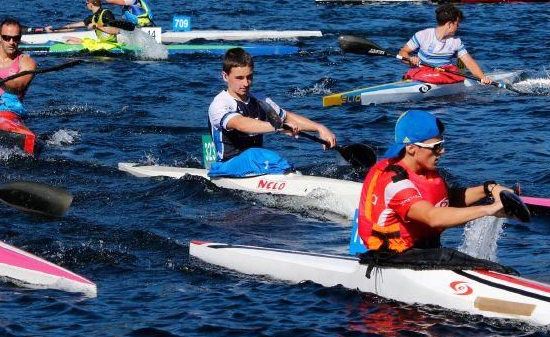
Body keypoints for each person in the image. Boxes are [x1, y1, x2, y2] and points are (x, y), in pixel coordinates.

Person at [357, 110, 511, 252]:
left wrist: (489, 189)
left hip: (423, 251)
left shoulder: (424, 172)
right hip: (391, 257)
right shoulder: (395, 183)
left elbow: (450, 200)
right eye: (436, 147)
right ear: (411, 148)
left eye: (442, 145)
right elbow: (432, 217)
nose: (442, 151)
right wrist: (489, 209)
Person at [208, 48, 336, 174]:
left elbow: (286, 118)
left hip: (257, 164)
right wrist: (278, 126)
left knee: (264, 157)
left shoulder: (260, 100)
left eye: (249, 77)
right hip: (227, 167)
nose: (246, 83)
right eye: (239, 78)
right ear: (225, 76)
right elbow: (240, 124)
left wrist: (320, 128)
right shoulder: (220, 104)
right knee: (255, 154)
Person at [396, 3, 492, 85]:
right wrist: (410, 60)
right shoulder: (422, 35)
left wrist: (483, 77)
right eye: (457, 24)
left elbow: (469, 62)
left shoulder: (456, 41)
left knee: (458, 68)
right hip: (423, 71)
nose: (458, 27)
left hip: (444, 73)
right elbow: (402, 52)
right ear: (449, 24)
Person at [45, 0, 135, 48]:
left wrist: (97, 26)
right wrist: (54, 29)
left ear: (91, 4)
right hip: (100, 44)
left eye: (86, 3)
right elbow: (73, 26)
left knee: (69, 42)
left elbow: (116, 30)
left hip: (110, 45)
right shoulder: (92, 17)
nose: (86, 5)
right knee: (67, 38)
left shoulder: (106, 13)